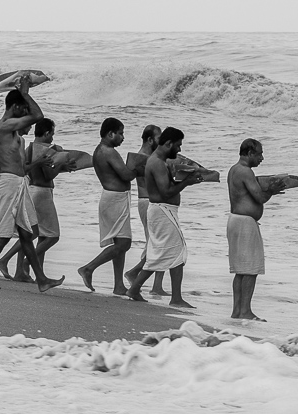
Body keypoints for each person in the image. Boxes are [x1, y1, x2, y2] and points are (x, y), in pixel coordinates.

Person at [0, 76, 63, 292]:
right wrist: (25, 92)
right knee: (4, 234)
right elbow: (38, 116)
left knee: (28, 233)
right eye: (23, 107)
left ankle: (41, 280)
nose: (26, 113)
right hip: (9, 185)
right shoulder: (4, 126)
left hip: (19, 184)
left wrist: (39, 162)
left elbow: (24, 168)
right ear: (16, 106)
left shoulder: (17, 137)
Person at [126, 127, 204, 307]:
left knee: (159, 253)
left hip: (161, 210)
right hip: (162, 210)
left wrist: (185, 178)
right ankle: (176, 298)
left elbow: (166, 186)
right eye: (178, 145)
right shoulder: (157, 163)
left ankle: (135, 288)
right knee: (177, 251)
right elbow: (166, 191)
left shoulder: (158, 161)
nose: (179, 150)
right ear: (168, 143)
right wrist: (186, 182)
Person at [0, 117, 72, 281]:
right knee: (51, 236)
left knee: (30, 232)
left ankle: (25, 272)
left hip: (29, 189)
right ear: (47, 133)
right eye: (52, 133)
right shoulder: (46, 150)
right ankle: (22, 262)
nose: (52, 137)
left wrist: (60, 167)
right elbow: (48, 174)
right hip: (42, 192)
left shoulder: (28, 147)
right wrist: (61, 164)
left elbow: (29, 169)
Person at [76, 117, 141, 295]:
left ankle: (118, 285)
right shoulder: (108, 151)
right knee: (124, 244)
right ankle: (89, 268)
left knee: (120, 243)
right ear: (110, 133)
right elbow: (126, 175)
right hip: (114, 200)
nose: (122, 137)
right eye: (120, 133)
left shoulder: (100, 150)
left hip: (114, 199)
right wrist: (138, 167)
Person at [226, 139, 286, 321]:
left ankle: (237, 311)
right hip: (245, 223)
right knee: (250, 269)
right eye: (259, 153)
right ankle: (245, 311)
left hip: (235, 220)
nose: (262, 157)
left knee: (240, 270)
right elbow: (259, 197)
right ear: (250, 153)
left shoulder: (233, 170)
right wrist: (272, 191)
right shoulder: (245, 171)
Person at [123, 125, 169, 296]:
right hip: (148, 201)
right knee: (159, 244)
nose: (161, 141)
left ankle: (156, 284)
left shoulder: (148, 157)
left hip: (148, 202)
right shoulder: (142, 158)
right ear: (150, 139)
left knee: (157, 243)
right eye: (159, 138)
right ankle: (136, 273)